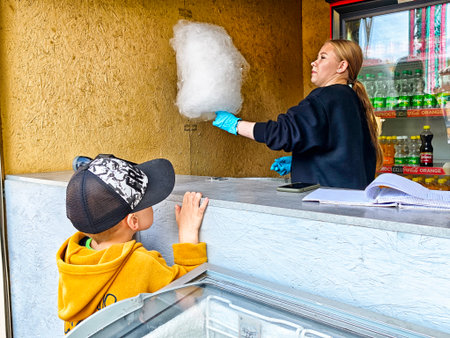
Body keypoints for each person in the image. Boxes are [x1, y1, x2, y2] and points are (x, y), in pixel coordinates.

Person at [57, 154, 209, 334]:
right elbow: (188, 294)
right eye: (147, 200)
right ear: (133, 222)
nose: (152, 203)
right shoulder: (141, 263)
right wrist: (188, 233)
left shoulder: (72, 257)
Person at [213, 39, 383, 190]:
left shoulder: (325, 97)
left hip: (327, 207)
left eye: (322, 57)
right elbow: (338, 150)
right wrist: (301, 162)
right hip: (352, 201)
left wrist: (235, 125)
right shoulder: (351, 98)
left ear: (341, 66)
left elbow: (283, 133)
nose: (313, 63)